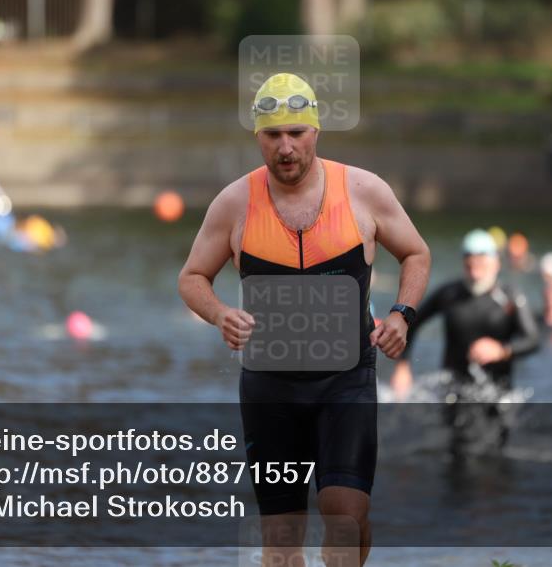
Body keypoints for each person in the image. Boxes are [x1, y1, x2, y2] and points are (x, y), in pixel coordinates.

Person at [178, 73, 430, 566]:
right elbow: (191, 278)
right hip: (270, 389)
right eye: (273, 135)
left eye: (297, 133)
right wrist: (220, 313)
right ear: (259, 137)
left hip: (345, 380)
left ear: (316, 130)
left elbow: (417, 254)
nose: (286, 147)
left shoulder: (363, 190)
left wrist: (402, 314)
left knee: (343, 513)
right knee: (280, 544)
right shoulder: (234, 203)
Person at [391, 229, 538, 398]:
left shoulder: (510, 296)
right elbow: (411, 321)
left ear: (496, 263)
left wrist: (502, 350)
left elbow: (532, 339)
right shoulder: (449, 294)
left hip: (498, 392)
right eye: (470, 259)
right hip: (453, 391)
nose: (475, 265)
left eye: (481, 260)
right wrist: (402, 366)